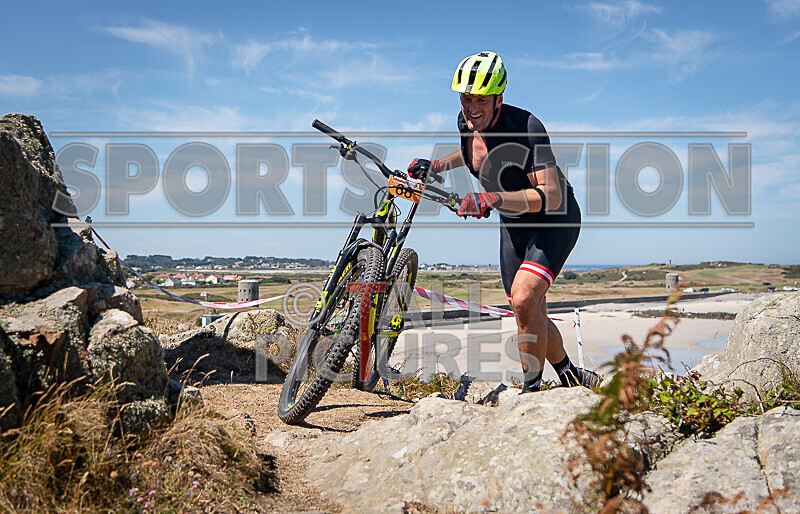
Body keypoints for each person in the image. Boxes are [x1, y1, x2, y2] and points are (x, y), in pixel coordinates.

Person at [407, 51, 598, 393]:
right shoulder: (466, 122)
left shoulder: (526, 127)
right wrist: (436, 166)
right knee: (527, 309)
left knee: (524, 298)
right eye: (466, 98)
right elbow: (472, 151)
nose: (472, 108)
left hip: (554, 219)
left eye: (481, 99)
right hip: (513, 222)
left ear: (499, 98)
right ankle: (571, 376)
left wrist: (491, 199)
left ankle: (531, 392)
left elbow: (551, 195)